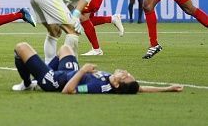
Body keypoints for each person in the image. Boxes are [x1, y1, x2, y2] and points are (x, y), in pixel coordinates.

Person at [11, 42, 183, 94]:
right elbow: (140, 88)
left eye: (125, 76)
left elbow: (68, 91)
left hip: (56, 81)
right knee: (65, 49)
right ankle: (36, 79)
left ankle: (28, 82)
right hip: (68, 72)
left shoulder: (97, 87)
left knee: (21, 47)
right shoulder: (116, 84)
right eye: (129, 74)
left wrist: (83, 71)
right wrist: (168, 88)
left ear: (117, 84)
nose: (125, 72)